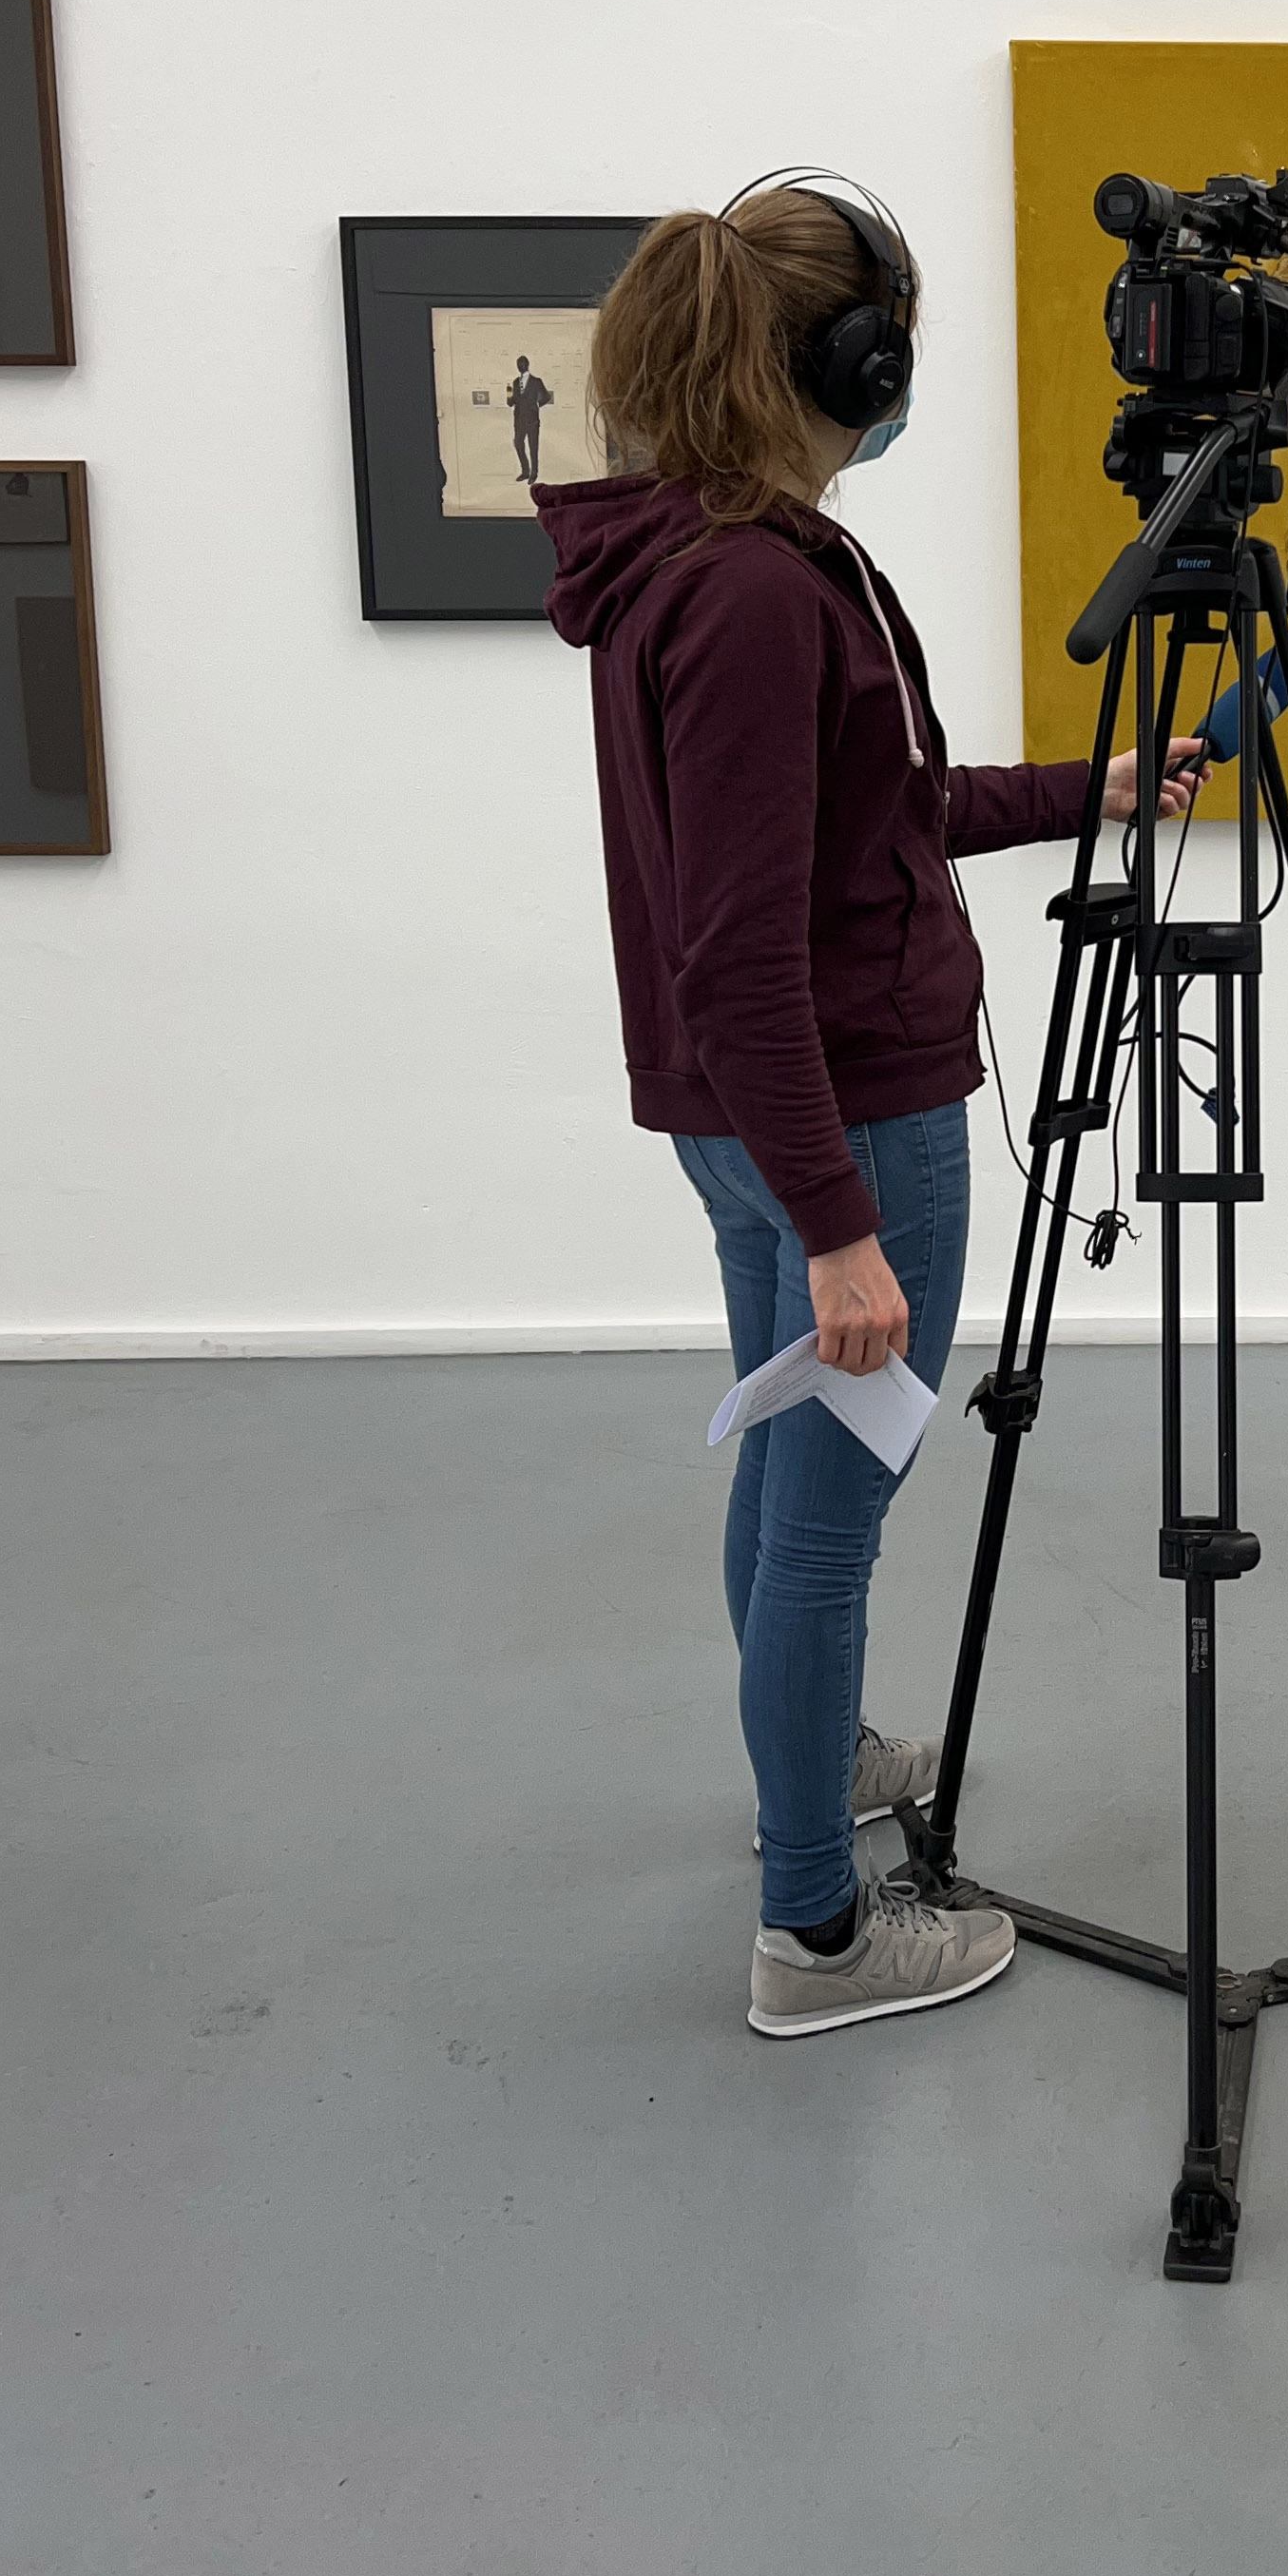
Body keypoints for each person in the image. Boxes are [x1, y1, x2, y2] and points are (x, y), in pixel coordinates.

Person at [537, 182, 1201, 2040]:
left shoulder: (701, 555)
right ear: (852, 358)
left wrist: (1090, 786)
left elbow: (873, 813)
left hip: (749, 1119)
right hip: (844, 1118)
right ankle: (814, 1937)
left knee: (787, 1479)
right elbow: (744, 950)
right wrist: (841, 1225)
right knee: (832, 1522)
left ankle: (812, 1762)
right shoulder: (758, 591)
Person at [507, 353, 553, 488]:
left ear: (527, 365)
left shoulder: (536, 381)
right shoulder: (515, 382)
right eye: (518, 365)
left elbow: (547, 397)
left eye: (521, 364)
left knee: (533, 447)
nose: (519, 366)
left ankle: (534, 473)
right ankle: (525, 471)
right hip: (519, 420)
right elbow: (511, 403)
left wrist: (537, 405)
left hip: (532, 420)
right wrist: (509, 394)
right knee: (518, 444)